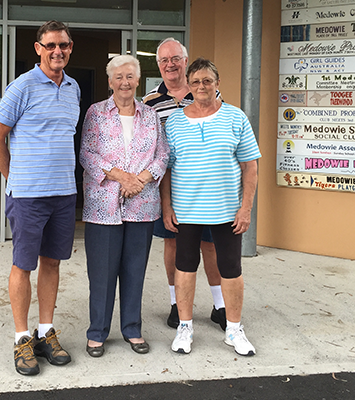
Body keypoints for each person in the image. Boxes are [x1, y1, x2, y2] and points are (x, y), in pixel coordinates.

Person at [0, 20, 80, 376]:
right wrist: (15, 177)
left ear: (70, 48)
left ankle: (45, 332)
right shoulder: (21, 87)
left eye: (64, 45)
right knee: (23, 265)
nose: (58, 51)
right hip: (29, 196)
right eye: (51, 45)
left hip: (63, 193)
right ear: (38, 48)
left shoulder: (72, 88)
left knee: (52, 263)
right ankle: (22, 338)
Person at [162, 57, 260, 357]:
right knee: (185, 267)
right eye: (195, 82)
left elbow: (250, 166)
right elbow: (167, 169)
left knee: (231, 269)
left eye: (207, 81)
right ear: (188, 86)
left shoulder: (235, 117)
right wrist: (166, 206)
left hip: (226, 210)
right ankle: (185, 327)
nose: (201, 86)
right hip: (186, 210)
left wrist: (246, 208)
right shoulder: (174, 122)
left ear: (217, 83)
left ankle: (234, 329)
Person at [80, 55, 169, 358]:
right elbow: (87, 154)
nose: (124, 82)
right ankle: (97, 332)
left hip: (141, 205)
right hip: (103, 207)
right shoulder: (96, 113)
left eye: (130, 76)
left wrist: (140, 180)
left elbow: (162, 155)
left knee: (134, 271)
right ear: (110, 81)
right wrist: (122, 177)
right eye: (118, 77)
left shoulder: (151, 115)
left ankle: (132, 328)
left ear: (138, 80)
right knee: (101, 274)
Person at [143, 38, 227, 331]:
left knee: (210, 245)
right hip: (169, 186)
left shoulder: (206, 92)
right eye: (164, 60)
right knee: (172, 243)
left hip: (206, 186)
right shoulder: (149, 102)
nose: (170, 65)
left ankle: (220, 305)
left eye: (175, 58)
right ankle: (176, 304)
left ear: (185, 60)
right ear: (158, 65)